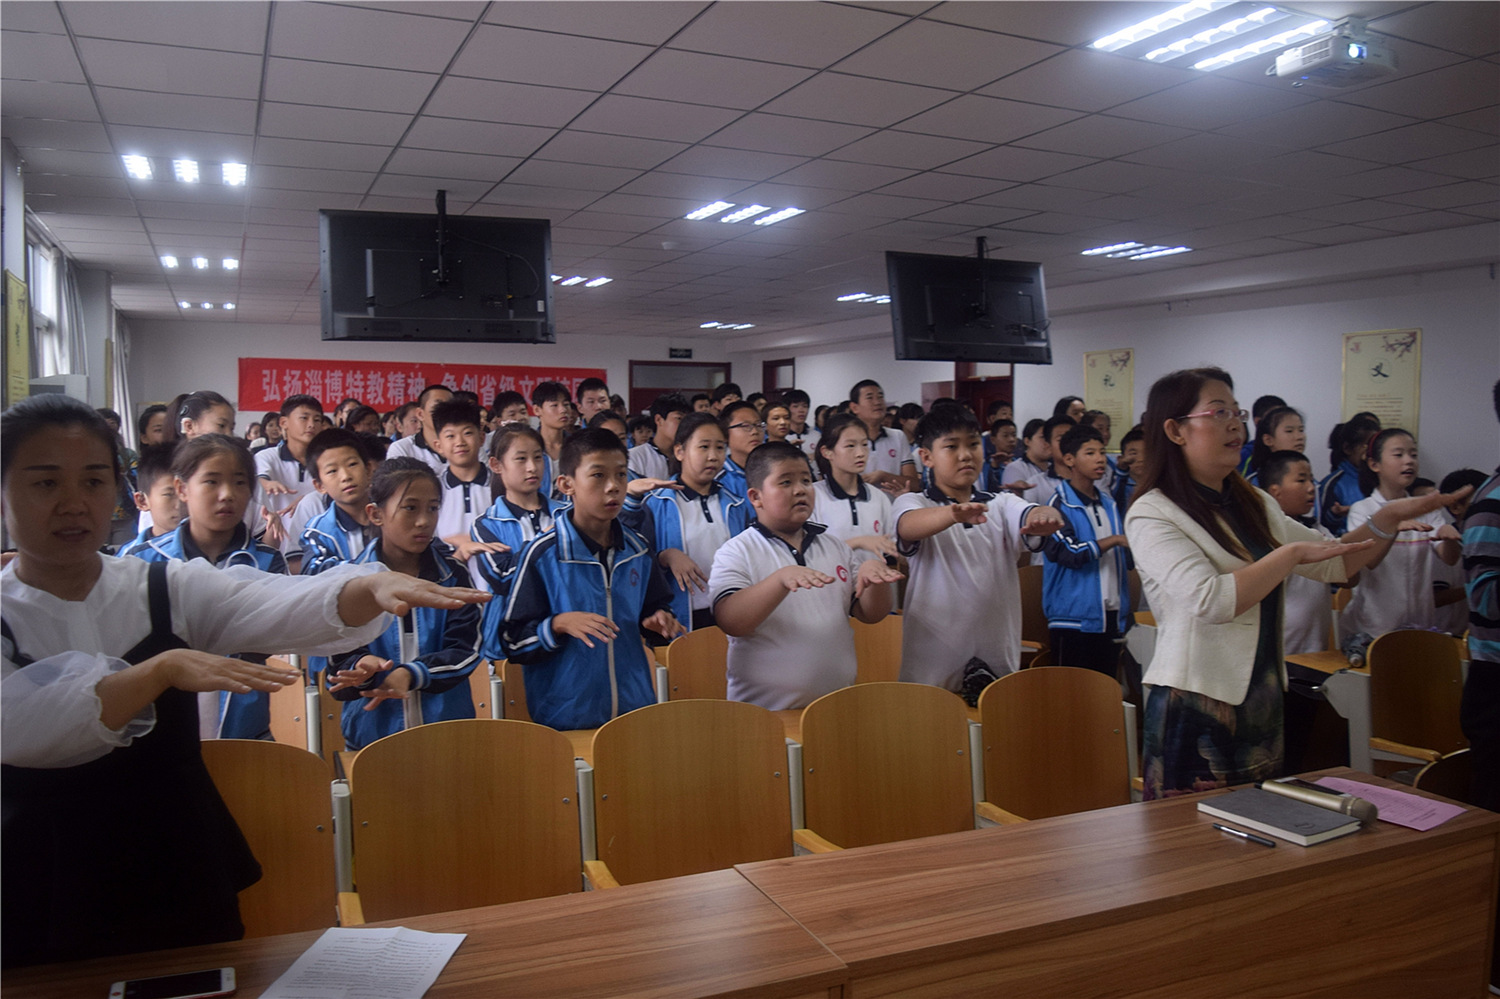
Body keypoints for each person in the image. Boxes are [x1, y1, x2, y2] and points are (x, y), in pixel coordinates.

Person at [0, 395, 487, 967]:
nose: (74, 504)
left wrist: (368, 587)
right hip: (33, 866)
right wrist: (158, 671)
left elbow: (271, 600)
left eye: (92, 481)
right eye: (45, 483)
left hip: (172, 854)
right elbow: (19, 726)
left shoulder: (159, 586)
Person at [1123, 367, 1461, 799]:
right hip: (1197, 701)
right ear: (1175, 430)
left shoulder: (1252, 501)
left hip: (1262, 693)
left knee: (1259, 823)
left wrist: (1387, 519)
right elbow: (1212, 600)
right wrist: (1290, 555)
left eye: (1237, 412)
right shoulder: (1152, 512)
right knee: (1195, 833)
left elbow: (1337, 565)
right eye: (1218, 412)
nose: (1235, 424)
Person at [499, 429, 684, 730]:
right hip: (565, 717)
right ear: (566, 484)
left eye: (621, 474)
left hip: (633, 709)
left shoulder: (637, 550)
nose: (613, 486)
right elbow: (513, 641)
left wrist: (660, 620)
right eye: (598, 475)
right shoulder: (542, 554)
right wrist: (557, 624)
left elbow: (656, 608)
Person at [710, 441, 902, 709]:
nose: (800, 489)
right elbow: (731, 621)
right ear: (756, 497)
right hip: (763, 713)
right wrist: (779, 581)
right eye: (785, 482)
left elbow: (870, 614)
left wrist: (874, 582)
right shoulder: (737, 551)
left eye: (806, 480)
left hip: (836, 705)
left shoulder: (834, 546)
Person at [894, 407, 1064, 696]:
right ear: (926, 457)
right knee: (934, 721)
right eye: (951, 446)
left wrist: (1044, 514)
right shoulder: (915, 502)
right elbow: (907, 526)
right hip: (932, 661)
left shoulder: (1001, 503)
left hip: (997, 654)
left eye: (973, 444)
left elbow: (1030, 513)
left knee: (997, 721)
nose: (965, 455)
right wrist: (952, 514)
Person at [131, 434, 288, 740]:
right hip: (159, 736)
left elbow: (271, 639)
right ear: (182, 489)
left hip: (245, 730)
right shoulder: (143, 561)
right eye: (211, 481)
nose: (227, 494)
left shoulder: (267, 562)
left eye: (240, 482)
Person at [322, 458, 483, 750]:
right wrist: (361, 667)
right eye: (410, 508)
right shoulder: (350, 582)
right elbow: (336, 672)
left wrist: (411, 674)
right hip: (372, 742)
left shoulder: (453, 575)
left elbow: (465, 651)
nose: (424, 521)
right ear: (376, 514)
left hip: (449, 738)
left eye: (432, 508)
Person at [623, 412, 750, 632]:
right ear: (680, 451)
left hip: (731, 613)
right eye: (704, 447)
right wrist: (665, 556)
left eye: (720, 447)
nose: (713, 456)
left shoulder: (736, 505)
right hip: (679, 617)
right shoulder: (656, 503)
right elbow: (635, 560)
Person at [1340, 427, 1463, 638]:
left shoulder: (1425, 508)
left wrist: (1450, 537)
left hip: (1421, 624)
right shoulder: (1363, 510)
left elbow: (1449, 558)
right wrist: (1391, 529)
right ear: (1374, 464)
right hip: (1374, 627)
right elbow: (1368, 562)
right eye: (1398, 455)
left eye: (1413, 455)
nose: (1409, 461)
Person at [1039, 425, 1131, 678]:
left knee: (1106, 689)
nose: (1100, 459)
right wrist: (1115, 540)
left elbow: (1125, 559)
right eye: (1090, 453)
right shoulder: (1057, 505)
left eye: (1102, 452)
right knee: (1072, 692)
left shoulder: (1109, 504)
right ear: (1069, 459)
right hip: (1072, 618)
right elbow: (1071, 553)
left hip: (1109, 614)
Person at [472, 426, 553, 661]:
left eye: (538, 457)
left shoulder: (566, 514)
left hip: (565, 631)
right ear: (496, 465)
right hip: (506, 644)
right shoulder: (487, 524)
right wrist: (546, 541)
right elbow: (502, 578)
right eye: (521, 459)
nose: (532, 467)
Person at [1258, 449, 1339, 655]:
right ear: (1275, 491)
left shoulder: (1318, 530)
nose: (1311, 488)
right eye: (1301, 480)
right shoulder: (1263, 533)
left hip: (1316, 646)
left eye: (1311, 480)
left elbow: (1348, 576)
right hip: (1279, 648)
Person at [812, 412, 896, 558]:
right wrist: (858, 542)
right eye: (850, 446)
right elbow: (811, 554)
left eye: (865, 444)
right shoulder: (813, 496)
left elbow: (891, 547)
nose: (860, 453)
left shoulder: (878, 497)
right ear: (827, 452)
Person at [300, 428, 379, 576]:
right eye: (332, 471)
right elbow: (315, 573)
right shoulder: (318, 533)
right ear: (320, 485)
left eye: (352, 464)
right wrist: (377, 555)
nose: (345, 476)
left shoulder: (392, 514)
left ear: (368, 470)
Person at [255, 394, 324, 558]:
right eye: (304, 418)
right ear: (283, 423)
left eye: (317, 420)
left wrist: (309, 499)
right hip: (277, 546)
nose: (311, 425)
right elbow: (260, 479)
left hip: (315, 551)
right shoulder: (268, 457)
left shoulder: (326, 462)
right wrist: (267, 484)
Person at [431, 399, 496, 560]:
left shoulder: (499, 484)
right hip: (448, 571)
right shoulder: (432, 488)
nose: (459, 442)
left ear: (481, 438)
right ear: (439, 446)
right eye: (450, 436)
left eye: (467, 433)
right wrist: (456, 543)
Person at [118, 443, 186, 559]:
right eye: (169, 495)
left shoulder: (212, 551)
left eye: (187, 493)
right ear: (142, 501)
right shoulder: (130, 558)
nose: (181, 504)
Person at [850, 379, 916, 495]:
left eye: (880, 397)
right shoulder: (847, 439)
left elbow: (914, 484)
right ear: (855, 407)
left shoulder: (898, 436)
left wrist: (883, 476)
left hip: (894, 504)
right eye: (870, 398)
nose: (877, 402)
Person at [1319, 414, 1380, 535]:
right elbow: (1322, 525)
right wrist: (1336, 514)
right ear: (1347, 448)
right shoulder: (1334, 483)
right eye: (1366, 446)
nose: (1371, 453)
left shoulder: (1381, 477)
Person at [386, 384, 453, 473]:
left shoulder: (463, 445)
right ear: (420, 414)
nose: (445, 412)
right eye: (438, 406)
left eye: (450, 408)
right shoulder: (402, 448)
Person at [629, 391, 691, 482]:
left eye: (687, 420)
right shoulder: (635, 457)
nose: (685, 425)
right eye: (679, 418)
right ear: (659, 420)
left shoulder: (690, 456)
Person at [718, 399, 765, 505]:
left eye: (758, 425)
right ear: (725, 434)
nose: (755, 431)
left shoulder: (771, 470)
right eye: (745, 426)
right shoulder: (720, 478)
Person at [1245, 406, 1306, 487]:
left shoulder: (1309, 479)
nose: (1299, 437)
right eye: (1289, 431)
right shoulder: (1256, 483)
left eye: (1301, 430)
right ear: (1268, 440)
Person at [1001, 418, 1052, 503]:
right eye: (1043, 437)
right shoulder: (1015, 468)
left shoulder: (1055, 468)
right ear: (1027, 441)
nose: (1048, 442)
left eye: (1049, 437)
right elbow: (1012, 503)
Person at [1113, 426, 1144, 509]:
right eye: (1133, 454)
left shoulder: (1160, 485)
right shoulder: (1118, 485)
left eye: (1146, 453)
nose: (1141, 459)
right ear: (1121, 459)